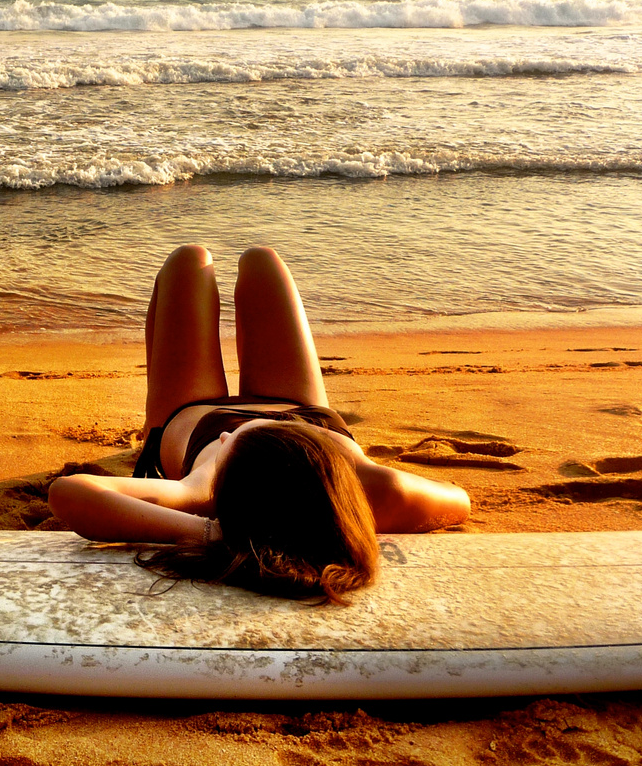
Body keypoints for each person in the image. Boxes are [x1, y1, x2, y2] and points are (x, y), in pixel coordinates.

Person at [47, 245, 470, 603]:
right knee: (261, 259)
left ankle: (152, 428)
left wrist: (215, 532)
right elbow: (461, 501)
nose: (232, 434)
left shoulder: (201, 489)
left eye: (229, 445)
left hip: (198, 418)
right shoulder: (377, 490)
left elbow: (70, 494)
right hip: (305, 411)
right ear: (320, 464)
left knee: (187, 261)